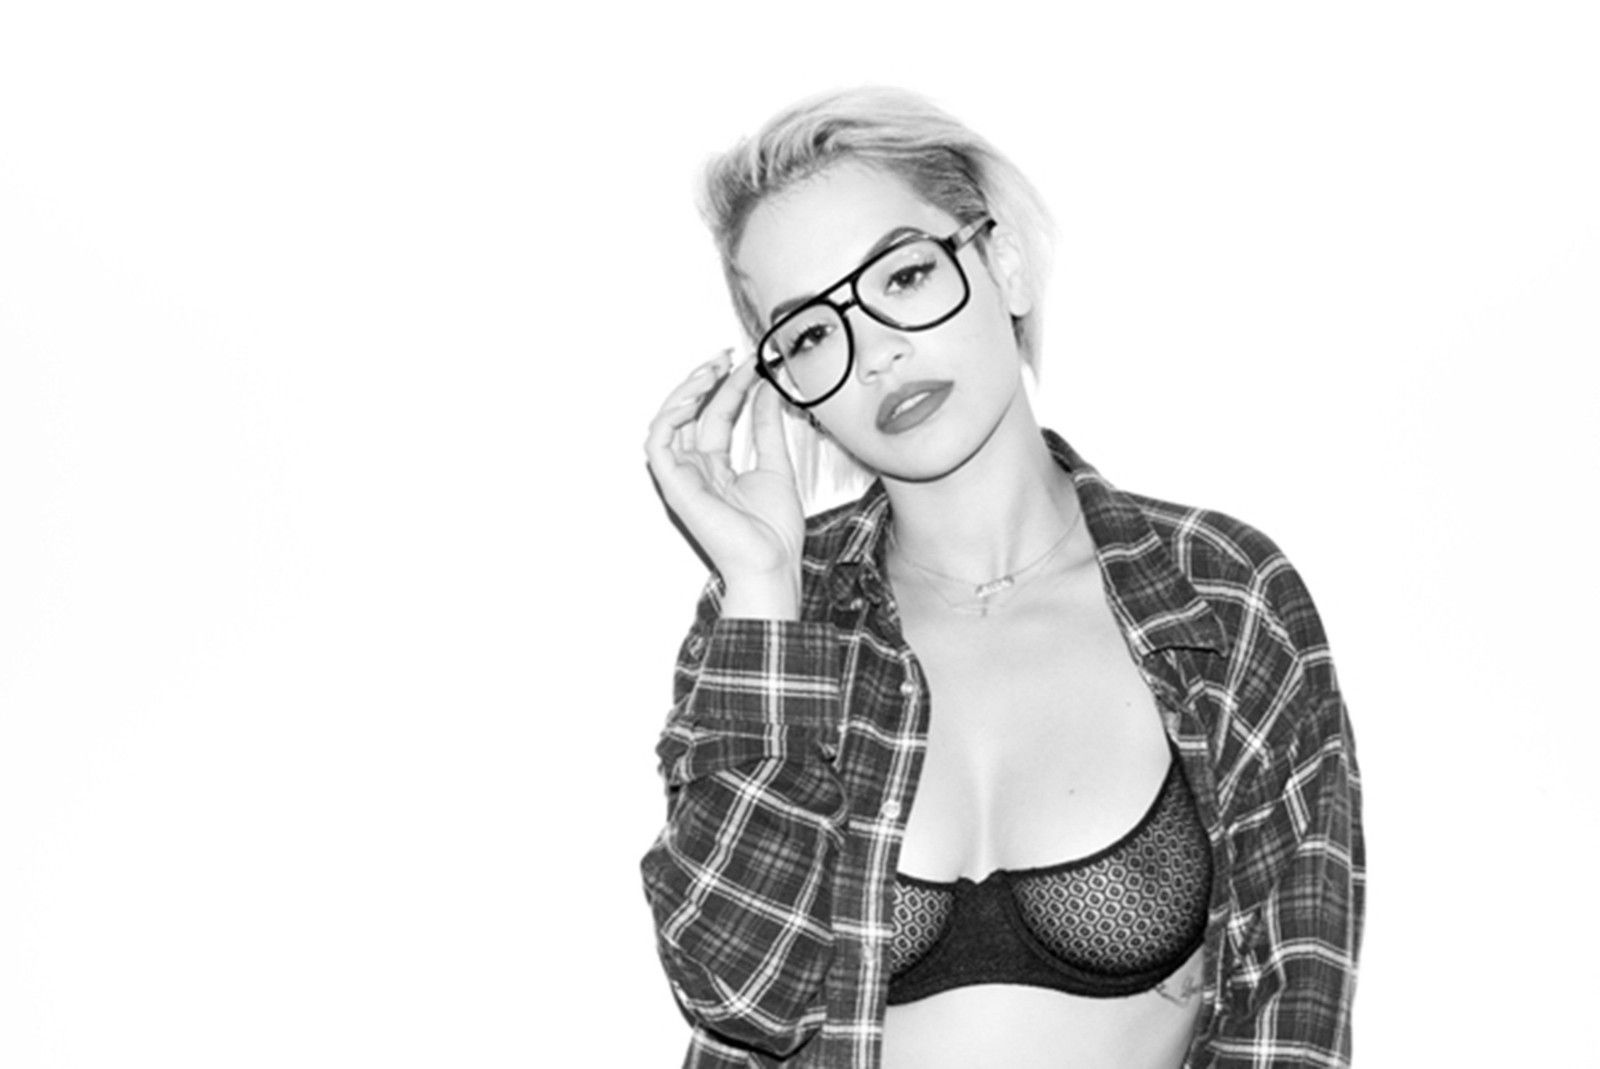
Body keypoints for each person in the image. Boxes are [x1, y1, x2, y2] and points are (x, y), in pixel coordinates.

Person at [641, 87, 1363, 1069]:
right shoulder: (774, 619)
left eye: (902, 275)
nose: (875, 352)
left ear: (1004, 264)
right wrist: (765, 591)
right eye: (810, 332)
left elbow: (1291, 1013)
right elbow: (739, 997)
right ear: (791, 392)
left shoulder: (1218, 597)